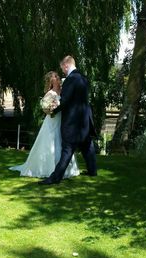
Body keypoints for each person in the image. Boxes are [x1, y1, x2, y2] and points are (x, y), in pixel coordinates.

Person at [39, 56, 97, 185]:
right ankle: (93, 171)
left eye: (62, 69)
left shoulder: (71, 80)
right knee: (87, 146)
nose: (63, 72)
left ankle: (55, 178)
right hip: (85, 120)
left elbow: (64, 101)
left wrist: (52, 111)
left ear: (66, 65)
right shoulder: (83, 77)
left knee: (67, 149)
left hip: (72, 122)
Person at [10, 71, 79, 178]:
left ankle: (65, 168)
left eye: (57, 76)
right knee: (51, 141)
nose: (58, 77)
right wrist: (51, 109)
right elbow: (46, 109)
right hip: (52, 121)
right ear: (51, 81)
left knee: (63, 141)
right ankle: (49, 168)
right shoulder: (50, 93)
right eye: (55, 77)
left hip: (63, 120)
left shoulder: (64, 90)